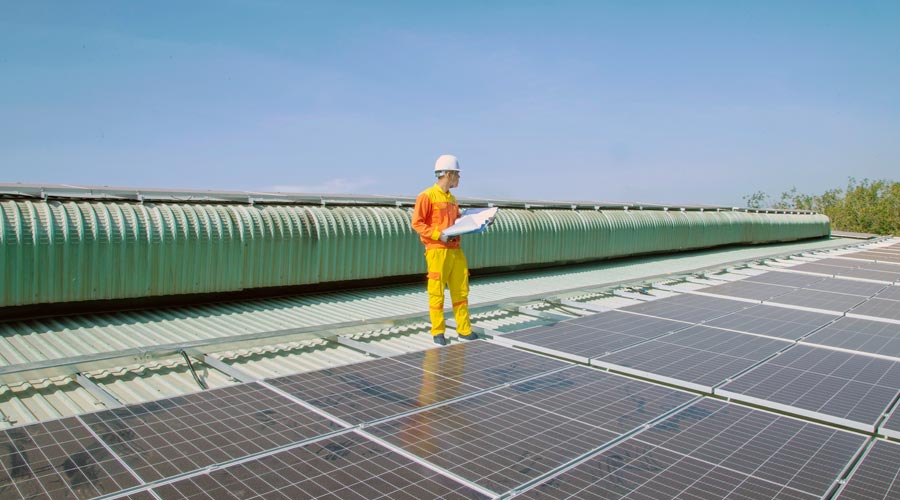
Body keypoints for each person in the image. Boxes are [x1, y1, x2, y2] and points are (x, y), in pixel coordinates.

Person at [411, 154, 478, 346]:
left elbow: (457, 222)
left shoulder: (453, 199)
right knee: (437, 292)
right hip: (437, 250)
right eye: (457, 174)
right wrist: (437, 235)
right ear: (448, 174)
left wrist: (480, 221)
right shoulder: (426, 196)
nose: (459, 178)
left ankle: (464, 330)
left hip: (456, 251)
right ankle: (438, 331)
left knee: (461, 292)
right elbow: (417, 223)